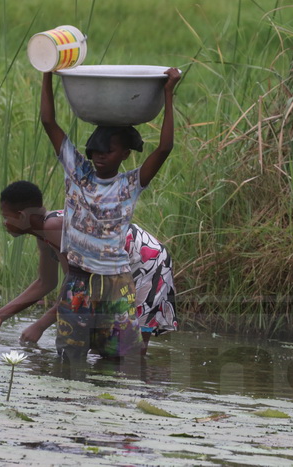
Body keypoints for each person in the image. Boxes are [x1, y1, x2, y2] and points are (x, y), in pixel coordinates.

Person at [39, 67, 180, 361]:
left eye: (109, 151)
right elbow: (48, 121)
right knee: (69, 356)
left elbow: (165, 148)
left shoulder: (130, 184)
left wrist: (168, 94)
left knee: (121, 357)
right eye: (95, 151)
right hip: (78, 279)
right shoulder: (78, 172)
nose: (100, 156)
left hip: (116, 283)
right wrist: (47, 74)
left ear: (126, 154)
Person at [0, 180, 178, 353]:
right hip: (116, 269)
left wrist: (40, 326)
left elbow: (79, 287)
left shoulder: (54, 228)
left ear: (21, 215)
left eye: (6, 217)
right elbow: (45, 283)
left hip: (146, 260)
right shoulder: (44, 233)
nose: (5, 224)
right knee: (107, 347)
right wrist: (0, 315)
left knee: (132, 349)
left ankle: (143, 388)